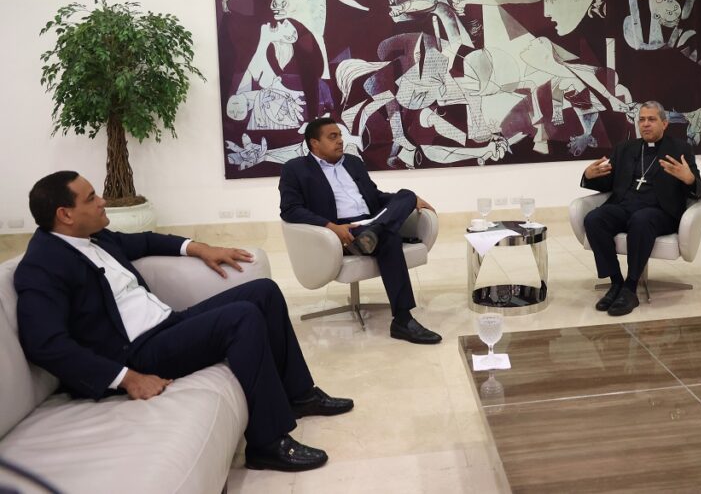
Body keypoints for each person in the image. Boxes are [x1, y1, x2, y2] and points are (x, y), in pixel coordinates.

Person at [15, 171, 350, 472]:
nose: (102, 201)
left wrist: (200, 247)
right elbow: (44, 343)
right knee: (242, 317)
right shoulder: (42, 265)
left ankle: (300, 395)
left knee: (263, 292)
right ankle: (267, 444)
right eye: (91, 198)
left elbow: (147, 240)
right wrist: (126, 377)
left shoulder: (96, 237)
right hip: (136, 353)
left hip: (167, 324)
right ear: (65, 214)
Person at [279, 117, 443, 344]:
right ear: (314, 143)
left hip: (370, 222)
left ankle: (374, 232)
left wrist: (409, 200)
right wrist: (331, 227)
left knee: (406, 194)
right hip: (343, 231)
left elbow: (375, 197)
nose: (340, 141)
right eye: (333, 137)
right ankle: (403, 320)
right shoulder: (296, 169)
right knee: (390, 238)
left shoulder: (353, 162)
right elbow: (290, 210)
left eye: (340, 136)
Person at [580, 100, 701, 316]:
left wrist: (689, 179)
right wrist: (588, 176)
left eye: (652, 119)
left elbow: (698, 189)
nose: (645, 124)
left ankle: (630, 288)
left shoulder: (680, 149)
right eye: (642, 120)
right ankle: (616, 282)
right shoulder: (624, 148)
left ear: (664, 124)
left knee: (642, 219)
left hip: (660, 212)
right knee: (594, 219)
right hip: (624, 207)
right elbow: (608, 183)